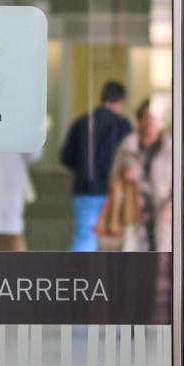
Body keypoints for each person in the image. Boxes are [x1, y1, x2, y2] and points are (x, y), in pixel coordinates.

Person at [110, 98, 184, 274]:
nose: (149, 122)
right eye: (146, 117)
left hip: (163, 214)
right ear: (140, 119)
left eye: (154, 118)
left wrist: (173, 208)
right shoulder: (128, 145)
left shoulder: (172, 148)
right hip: (135, 213)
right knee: (134, 268)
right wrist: (125, 178)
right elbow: (113, 179)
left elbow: (183, 183)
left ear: (162, 122)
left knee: (165, 269)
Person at [58, 80, 134, 252]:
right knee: (116, 241)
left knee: (85, 237)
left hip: (85, 190)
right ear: (121, 101)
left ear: (101, 97)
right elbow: (130, 161)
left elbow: (66, 158)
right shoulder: (123, 126)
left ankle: (81, 276)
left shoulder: (81, 123)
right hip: (115, 193)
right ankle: (112, 278)